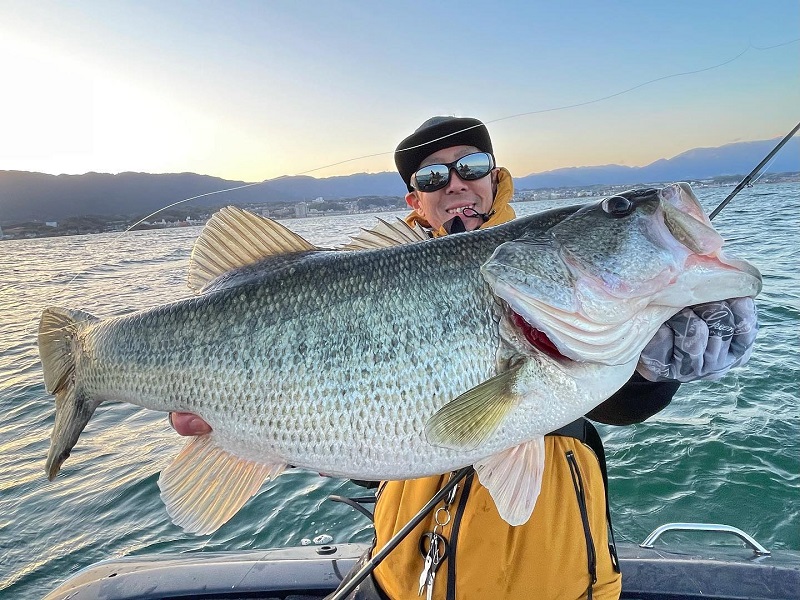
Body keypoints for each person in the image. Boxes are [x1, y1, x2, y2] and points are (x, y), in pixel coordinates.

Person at [170, 117, 759, 599]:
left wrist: (653, 370)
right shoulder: (364, 279)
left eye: (471, 166)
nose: (455, 184)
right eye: (432, 176)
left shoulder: (539, 272)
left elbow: (614, 405)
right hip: (404, 574)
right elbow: (376, 448)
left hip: (556, 569)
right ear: (415, 199)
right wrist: (275, 429)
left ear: (495, 179)